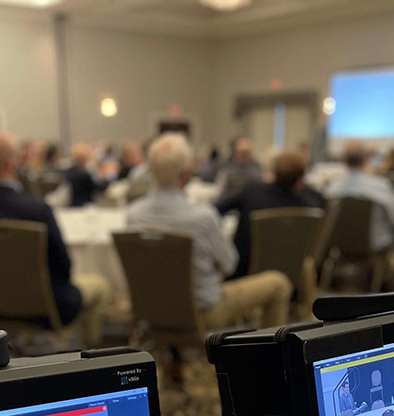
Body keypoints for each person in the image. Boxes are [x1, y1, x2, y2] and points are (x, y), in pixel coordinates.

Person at [126, 133, 293, 329]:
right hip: (202, 312)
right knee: (279, 283)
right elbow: (229, 265)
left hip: (152, 312)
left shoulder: (134, 215)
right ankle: (272, 355)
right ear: (186, 174)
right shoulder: (203, 217)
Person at [0, 130, 111, 347]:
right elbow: (64, 266)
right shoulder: (37, 210)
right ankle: (91, 363)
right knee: (101, 287)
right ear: (11, 162)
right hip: (48, 307)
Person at [216, 150, 325, 279]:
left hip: (245, 276)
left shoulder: (251, 192)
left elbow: (216, 209)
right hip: (291, 278)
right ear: (301, 179)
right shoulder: (309, 210)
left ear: (273, 172)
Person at [327, 140, 394, 254]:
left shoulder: (331, 189)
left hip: (339, 247)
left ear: (344, 161)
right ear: (366, 159)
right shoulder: (382, 187)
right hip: (376, 247)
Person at [64, 142, 109, 207]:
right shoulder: (83, 174)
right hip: (84, 207)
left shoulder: (68, 171)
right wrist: (106, 179)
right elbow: (96, 189)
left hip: (71, 206)